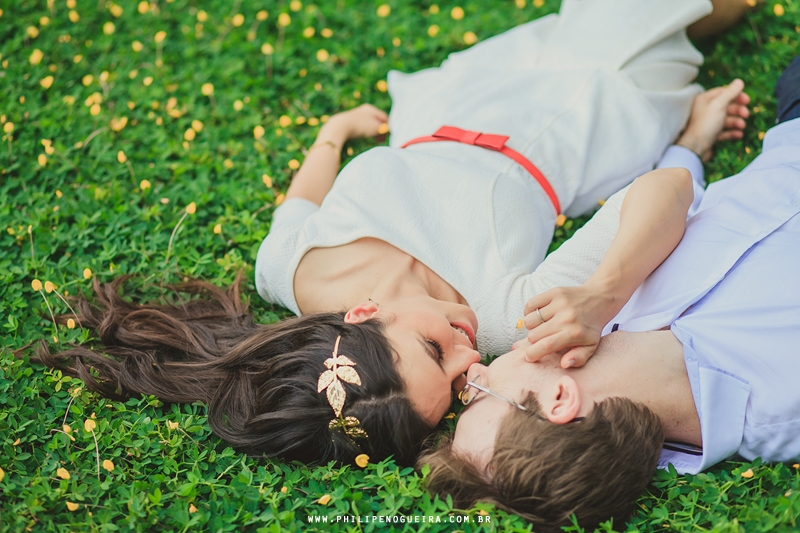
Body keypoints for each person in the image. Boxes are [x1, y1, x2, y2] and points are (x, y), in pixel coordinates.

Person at [29, 0, 750, 466]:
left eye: (436, 348)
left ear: (362, 314)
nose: (470, 349)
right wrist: (604, 287)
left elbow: (298, 204)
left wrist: (332, 134)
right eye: (459, 379)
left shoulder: (286, 269)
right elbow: (666, 192)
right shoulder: (502, 319)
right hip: (587, 115)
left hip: (460, 94)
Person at [422, 57, 800, 533]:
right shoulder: (779, 404)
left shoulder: (604, 321)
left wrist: (692, 144)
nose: (473, 369)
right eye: (478, 393)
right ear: (559, 398)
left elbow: (671, 192)